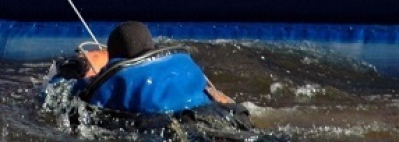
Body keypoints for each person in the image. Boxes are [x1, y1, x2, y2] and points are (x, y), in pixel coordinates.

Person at [45, 21, 256, 140]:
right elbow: (218, 98)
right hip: (218, 116)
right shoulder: (183, 65)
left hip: (161, 128)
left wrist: (73, 67)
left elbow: (55, 95)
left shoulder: (110, 80)